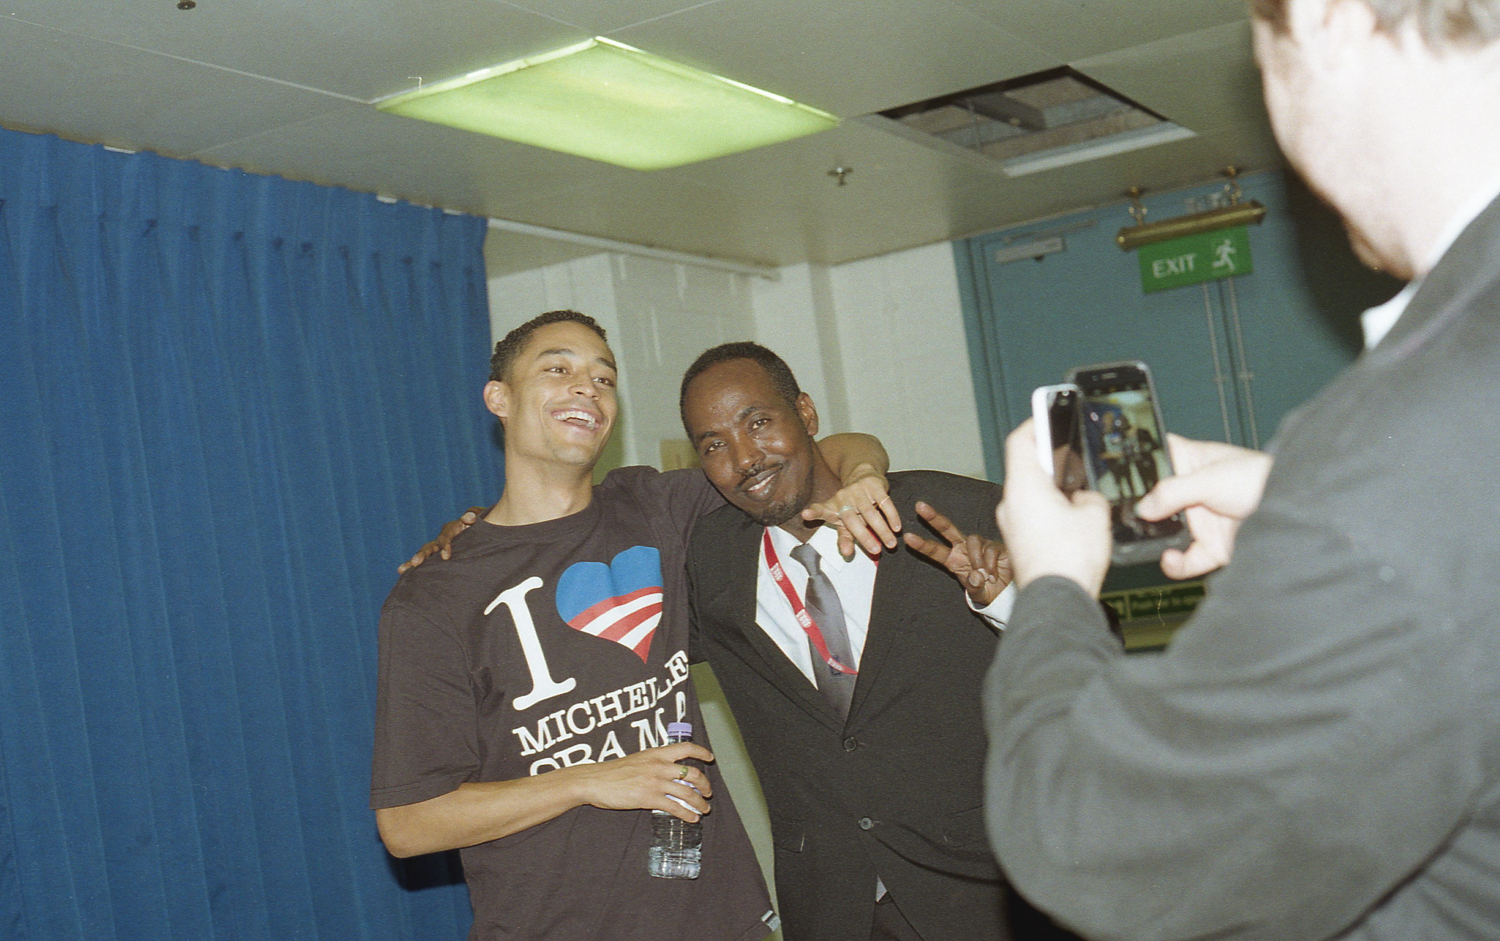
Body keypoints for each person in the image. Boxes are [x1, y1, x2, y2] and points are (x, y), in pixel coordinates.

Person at [985, 0, 1500, 938]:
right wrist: (1299, 503)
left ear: (1327, 21)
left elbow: (1091, 842)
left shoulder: (1411, 439)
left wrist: (1053, 585)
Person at [371, 310, 893, 941]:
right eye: (557, 368)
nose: (586, 387)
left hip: (726, 922)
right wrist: (590, 781)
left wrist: (864, 479)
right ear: (498, 398)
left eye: (603, 376)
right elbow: (407, 823)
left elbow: (813, 456)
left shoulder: (653, 507)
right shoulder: (436, 596)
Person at [681, 343, 1078, 941]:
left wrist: (1004, 604)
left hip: (993, 889)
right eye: (713, 444)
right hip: (835, 906)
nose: (743, 458)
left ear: (807, 416)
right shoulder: (709, 562)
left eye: (758, 422)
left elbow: (1099, 646)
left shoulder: (957, 510)